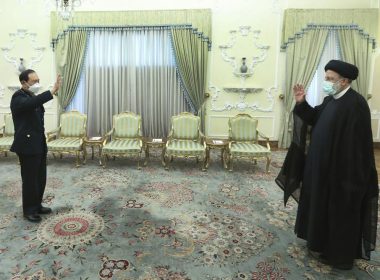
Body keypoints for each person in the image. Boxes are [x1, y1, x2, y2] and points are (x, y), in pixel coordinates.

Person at [291, 60, 378, 269]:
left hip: (341, 174)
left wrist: (347, 179)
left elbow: (357, 147)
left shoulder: (355, 104)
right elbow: (314, 118)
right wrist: (302, 103)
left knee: (340, 214)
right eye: (326, 78)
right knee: (319, 206)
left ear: (344, 81)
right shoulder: (331, 100)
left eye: (330, 79)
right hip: (321, 169)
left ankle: (338, 256)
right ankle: (318, 242)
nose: (326, 82)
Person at [10, 69, 61, 223]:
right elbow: (32, 104)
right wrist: (51, 91)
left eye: (38, 80)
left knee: (40, 177)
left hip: (38, 143)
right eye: (34, 81)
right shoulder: (18, 97)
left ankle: (37, 205)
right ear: (24, 82)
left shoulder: (31, 95)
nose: (37, 83)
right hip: (26, 145)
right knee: (30, 179)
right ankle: (29, 210)